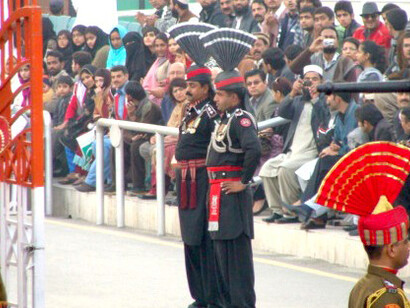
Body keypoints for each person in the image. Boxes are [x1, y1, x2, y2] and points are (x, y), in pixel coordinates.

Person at [203, 28, 261, 308]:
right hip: (218, 196)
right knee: (221, 259)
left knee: (236, 262)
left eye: (221, 94)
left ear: (234, 97)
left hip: (232, 195)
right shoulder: (225, 118)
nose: (216, 99)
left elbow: (254, 149)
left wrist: (245, 182)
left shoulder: (241, 118)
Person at [314, 142, 410, 308]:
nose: (408, 247)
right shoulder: (387, 296)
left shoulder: (363, 285)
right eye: (405, 242)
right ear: (391, 249)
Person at [170, 24, 220, 307]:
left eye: (191, 85)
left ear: (204, 87)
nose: (186, 89)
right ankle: (198, 295)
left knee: (204, 239)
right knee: (189, 238)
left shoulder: (212, 112)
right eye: (186, 85)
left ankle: (211, 296)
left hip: (202, 180)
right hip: (185, 180)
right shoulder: (190, 110)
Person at [260, 65, 330, 223]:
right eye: (307, 80)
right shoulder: (298, 100)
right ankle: (277, 210)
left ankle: (290, 212)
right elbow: (283, 111)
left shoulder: (325, 101)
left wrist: (315, 99)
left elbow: (325, 119)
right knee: (267, 169)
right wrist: (292, 93)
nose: (310, 83)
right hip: (292, 150)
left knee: (285, 169)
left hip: (311, 151)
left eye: (314, 79)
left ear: (322, 82)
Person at [75, 68, 114, 192]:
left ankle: (92, 181)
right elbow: (96, 114)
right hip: (102, 129)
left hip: (112, 130)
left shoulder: (110, 94)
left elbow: (111, 115)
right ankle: (101, 178)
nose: (98, 84)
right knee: (88, 141)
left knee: (101, 144)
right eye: (96, 81)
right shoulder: (99, 94)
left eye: (101, 80)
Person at [142, 32, 170, 106]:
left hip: (163, 102)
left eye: (162, 45)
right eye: (157, 46)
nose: (159, 49)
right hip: (152, 102)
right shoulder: (157, 61)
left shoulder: (170, 62)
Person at [385, 9, 408, 76]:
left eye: (386, 23)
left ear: (390, 26)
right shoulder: (395, 42)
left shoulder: (401, 43)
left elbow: (396, 65)